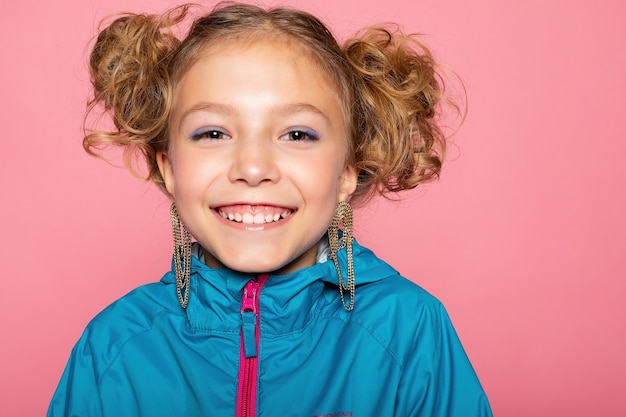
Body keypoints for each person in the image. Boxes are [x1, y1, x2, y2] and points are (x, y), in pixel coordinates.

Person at [47, 2, 492, 416]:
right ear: (169, 168)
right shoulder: (114, 346)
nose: (254, 168)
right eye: (213, 134)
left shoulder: (409, 330)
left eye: (297, 135)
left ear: (347, 171)